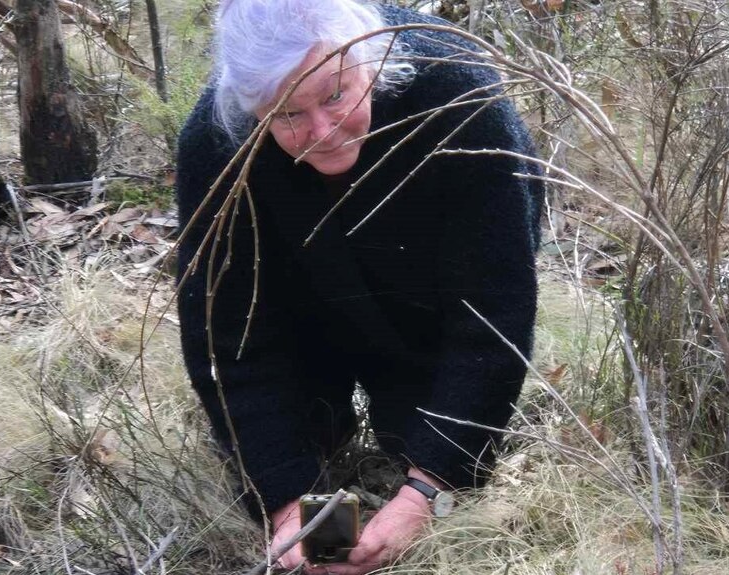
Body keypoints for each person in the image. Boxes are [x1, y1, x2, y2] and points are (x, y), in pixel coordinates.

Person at [176, 1, 543, 573]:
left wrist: (426, 494)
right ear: (253, 111)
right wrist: (290, 503)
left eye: (335, 95)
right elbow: (233, 343)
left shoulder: (460, 95)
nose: (322, 132)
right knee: (308, 488)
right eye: (289, 115)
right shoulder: (216, 144)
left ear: (369, 59)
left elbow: (492, 318)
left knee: (420, 444)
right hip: (303, 300)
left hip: (431, 294)